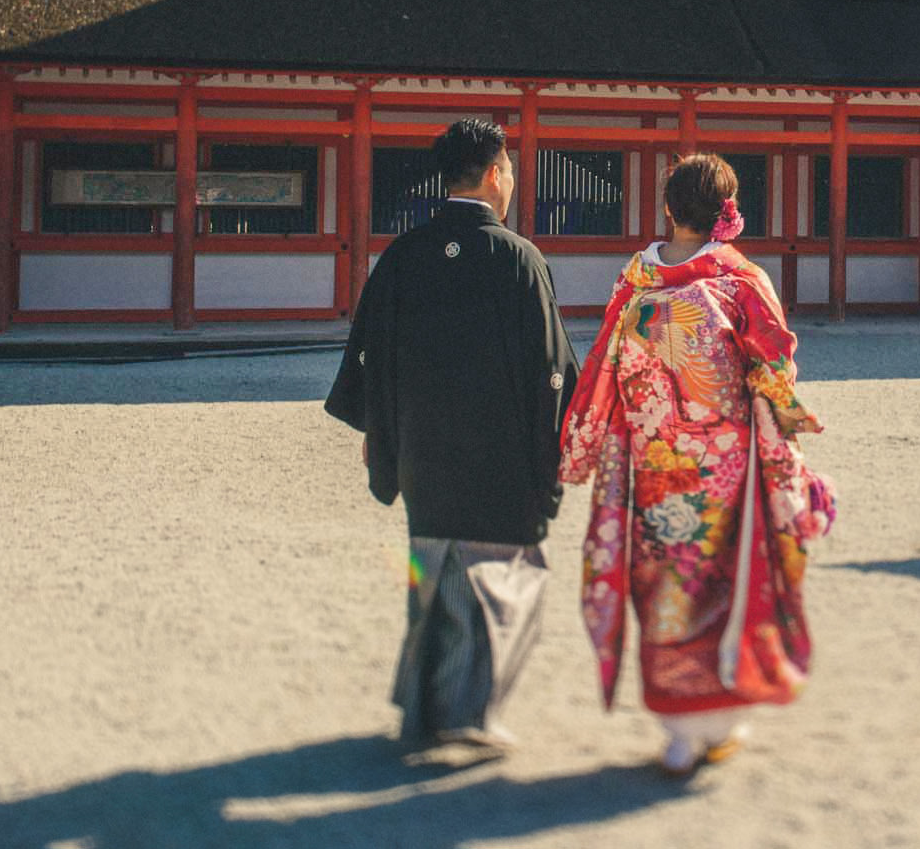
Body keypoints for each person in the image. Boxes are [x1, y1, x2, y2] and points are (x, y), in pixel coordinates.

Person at [559, 153, 834, 778]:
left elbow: (604, 362)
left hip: (657, 464)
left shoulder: (635, 282)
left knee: (666, 588)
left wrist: (586, 437)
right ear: (725, 214)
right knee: (729, 580)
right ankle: (722, 719)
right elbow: (775, 369)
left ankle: (678, 731)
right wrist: (790, 419)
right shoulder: (740, 281)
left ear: (668, 211)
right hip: (726, 464)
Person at [325, 118, 578, 752]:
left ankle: (421, 709)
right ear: (495, 174)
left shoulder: (402, 255)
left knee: (432, 572)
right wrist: (561, 444)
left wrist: (380, 437)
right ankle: (466, 715)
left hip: (421, 452)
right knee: (498, 576)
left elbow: (369, 355)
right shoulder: (519, 258)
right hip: (498, 453)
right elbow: (550, 370)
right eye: (511, 170)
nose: (513, 182)